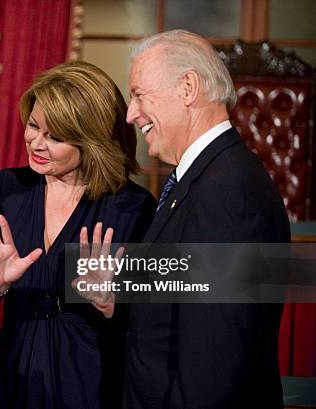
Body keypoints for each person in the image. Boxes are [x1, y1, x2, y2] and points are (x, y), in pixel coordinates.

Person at [0, 61, 156, 409]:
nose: (36, 142)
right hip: (12, 380)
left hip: (91, 385)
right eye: (33, 125)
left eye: (55, 136)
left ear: (92, 142)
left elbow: (153, 328)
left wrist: (111, 305)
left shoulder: (132, 208)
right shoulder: (6, 189)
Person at [121, 29, 290, 408]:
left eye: (138, 95)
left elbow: (213, 361)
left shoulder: (227, 194)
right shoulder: (208, 177)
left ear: (188, 88)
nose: (131, 113)